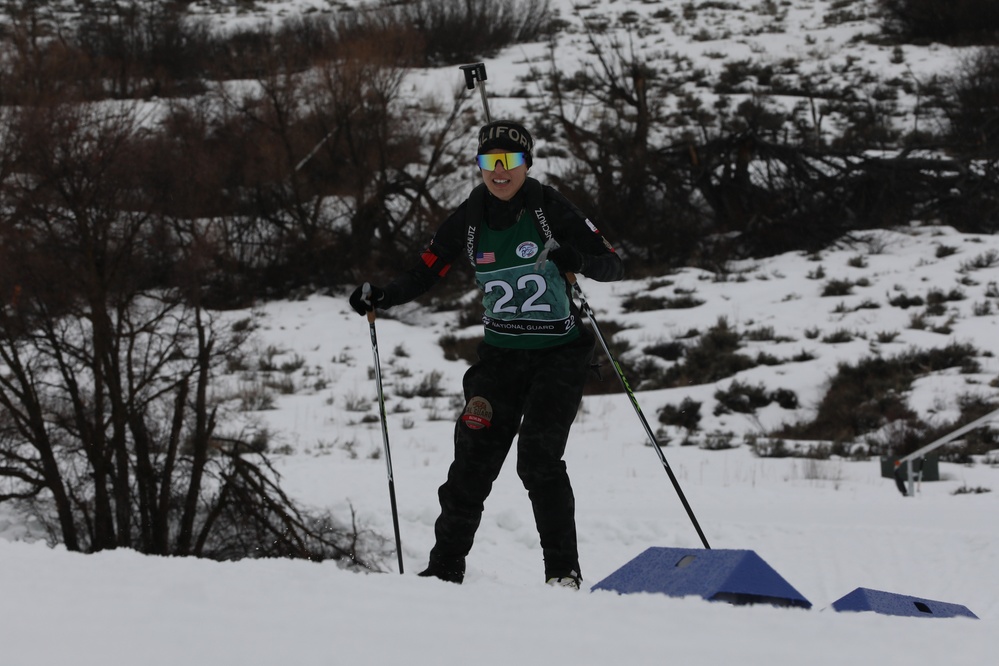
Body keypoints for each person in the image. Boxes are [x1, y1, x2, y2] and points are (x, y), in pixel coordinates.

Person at [349, 119, 624, 589]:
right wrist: (383, 295)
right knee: (471, 464)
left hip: (558, 356)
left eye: (510, 161)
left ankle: (562, 574)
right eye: (489, 162)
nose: (499, 171)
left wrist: (577, 261)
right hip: (500, 359)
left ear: (526, 164)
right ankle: (443, 572)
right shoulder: (470, 217)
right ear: (479, 166)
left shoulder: (548, 208)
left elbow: (613, 264)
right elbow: (426, 270)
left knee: (537, 460)